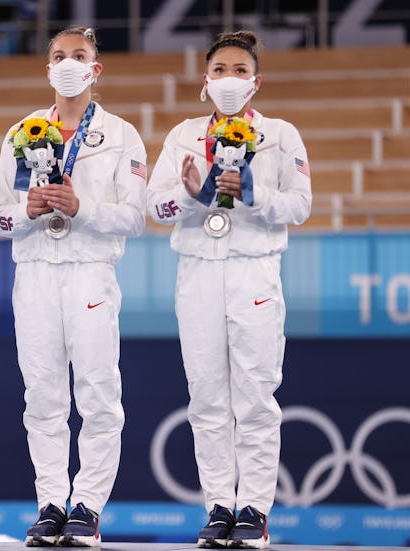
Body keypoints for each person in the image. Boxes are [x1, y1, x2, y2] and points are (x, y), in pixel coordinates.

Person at [146, 31, 312, 549]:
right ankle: (218, 507)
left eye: (240, 71)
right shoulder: (182, 136)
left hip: (253, 271)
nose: (229, 79)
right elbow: (156, 207)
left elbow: (301, 206)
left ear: (256, 82)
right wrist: (194, 195)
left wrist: (256, 195)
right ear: (205, 80)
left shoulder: (282, 135)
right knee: (207, 396)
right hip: (197, 270)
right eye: (220, 70)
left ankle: (255, 512)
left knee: (256, 397)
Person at [0, 27, 147, 547]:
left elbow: (136, 218)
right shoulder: (21, 132)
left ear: (95, 69)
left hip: (89, 273)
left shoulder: (121, 134)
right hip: (34, 274)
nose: (67, 64)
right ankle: (51, 502)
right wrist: (25, 211)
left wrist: (84, 208)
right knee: (42, 397)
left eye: (78, 56)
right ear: (47, 67)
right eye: (58, 56)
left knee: (99, 394)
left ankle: (88, 506)